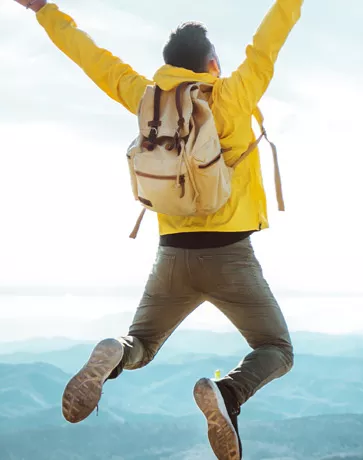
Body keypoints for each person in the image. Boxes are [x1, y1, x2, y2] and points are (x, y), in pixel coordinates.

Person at [12, 0, 304, 458]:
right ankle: (228, 394)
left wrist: (45, 9)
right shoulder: (232, 94)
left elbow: (93, 58)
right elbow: (272, 34)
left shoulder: (147, 99)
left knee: (142, 343)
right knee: (276, 349)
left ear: (166, 67)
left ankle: (117, 352)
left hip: (170, 255)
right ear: (212, 64)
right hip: (230, 257)